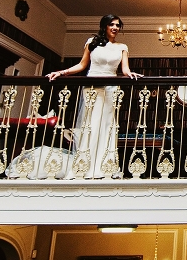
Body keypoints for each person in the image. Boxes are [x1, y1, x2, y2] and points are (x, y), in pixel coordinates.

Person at [48, 14, 138, 178]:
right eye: (112, 24)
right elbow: (82, 65)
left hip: (111, 88)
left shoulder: (122, 47)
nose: (115, 28)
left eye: (118, 25)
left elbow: (124, 69)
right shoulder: (92, 43)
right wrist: (62, 72)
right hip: (92, 88)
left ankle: (105, 168)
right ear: (105, 26)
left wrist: (131, 74)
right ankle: (85, 166)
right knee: (91, 124)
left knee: (107, 125)